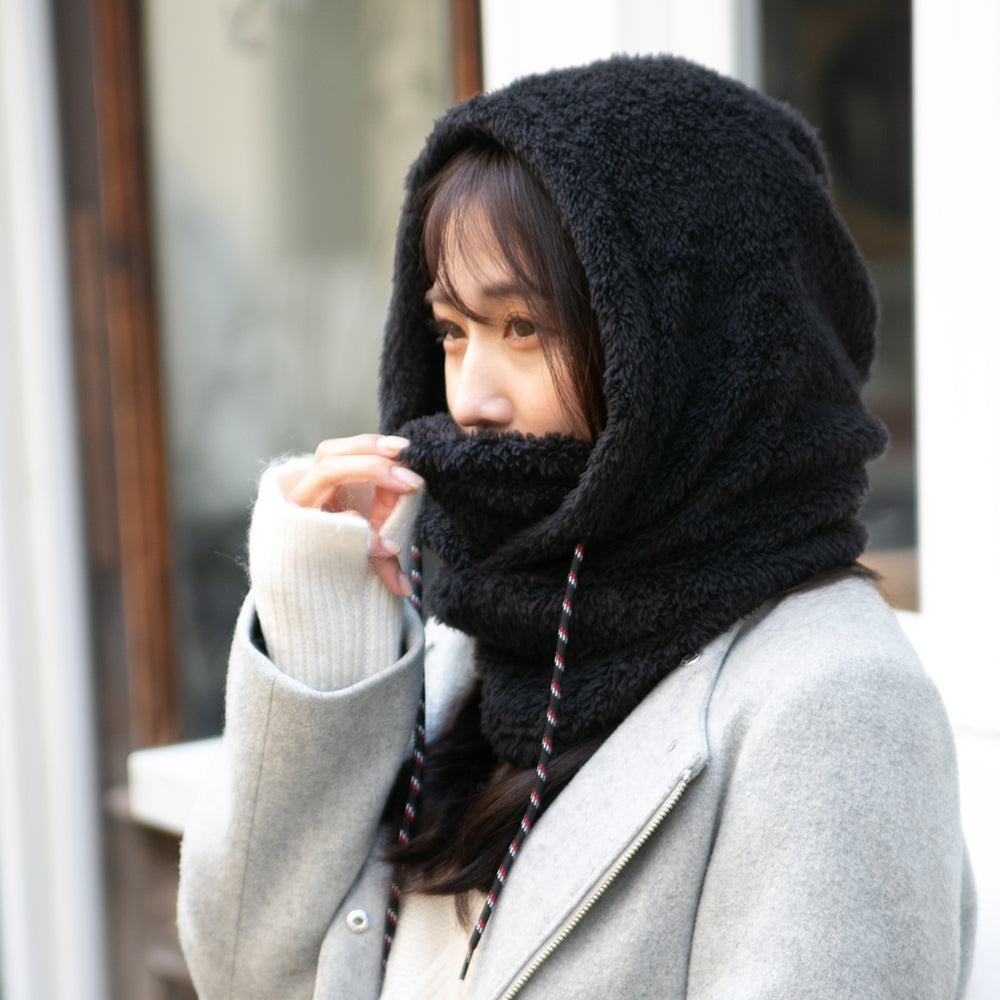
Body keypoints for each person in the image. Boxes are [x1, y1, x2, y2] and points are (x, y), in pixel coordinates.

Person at [177, 56, 976, 999]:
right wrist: (327, 639)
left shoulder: (834, 704)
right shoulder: (480, 642)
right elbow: (246, 972)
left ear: (692, 346)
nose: (468, 400)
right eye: (452, 331)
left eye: (524, 327)